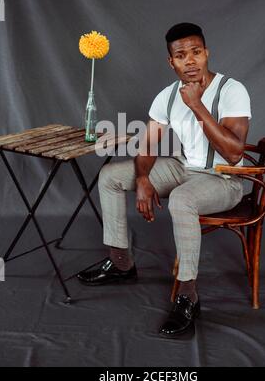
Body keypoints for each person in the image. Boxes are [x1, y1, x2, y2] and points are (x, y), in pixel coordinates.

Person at [77, 22, 252, 337]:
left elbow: (235, 153)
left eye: (196, 52)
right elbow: (147, 145)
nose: (191, 61)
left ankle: (187, 295)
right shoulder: (167, 96)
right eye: (182, 55)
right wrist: (143, 177)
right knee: (111, 175)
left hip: (223, 179)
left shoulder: (231, 90)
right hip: (184, 169)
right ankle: (121, 264)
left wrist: (197, 105)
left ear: (206, 53)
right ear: (171, 62)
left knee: (183, 199)